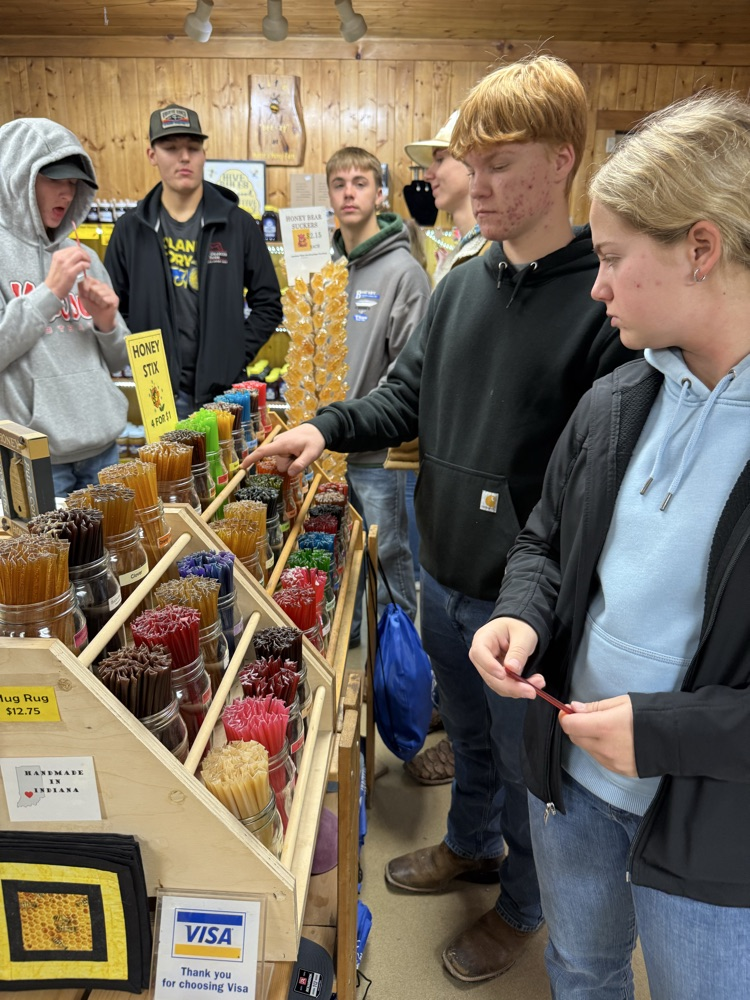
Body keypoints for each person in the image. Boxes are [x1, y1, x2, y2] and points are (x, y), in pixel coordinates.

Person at [243, 54, 637, 983]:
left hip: (527, 608)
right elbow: (403, 396)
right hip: (448, 574)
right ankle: (470, 847)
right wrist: (323, 428)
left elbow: (597, 488)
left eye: (501, 162)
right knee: (463, 744)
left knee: (526, 771)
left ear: (562, 161)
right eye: (471, 160)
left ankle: (527, 902)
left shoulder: (602, 305)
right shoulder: (461, 283)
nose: (472, 182)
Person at [469, 88, 750, 999]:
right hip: (576, 786)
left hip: (718, 825)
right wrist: (518, 615)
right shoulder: (616, 401)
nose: (595, 286)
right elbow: (545, 543)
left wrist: (665, 731)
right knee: (582, 968)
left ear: (700, 250)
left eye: (615, 259)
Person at [398, 109, 492, 787]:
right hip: (444, 493)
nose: (430, 172)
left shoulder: (488, 255)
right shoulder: (456, 249)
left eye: (442, 157)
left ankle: (468, 750)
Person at [105, 103, 282, 418]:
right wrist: (146, 355)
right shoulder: (130, 229)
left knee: (228, 468)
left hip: (225, 391)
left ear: (203, 154)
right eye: (171, 148)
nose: (183, 157)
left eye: (192, 148)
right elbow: (116, 308)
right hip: (158, 392)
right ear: (152, 155)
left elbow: (268, 303)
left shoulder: (238, 224)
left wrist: (234, 352)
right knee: (168, 470)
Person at [326, 147, 431, 644]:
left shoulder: (403, 272)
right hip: (325, 453)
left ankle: (396, 681)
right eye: (340, 182)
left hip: (377, 457)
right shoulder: (327, 270)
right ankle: (349, 666)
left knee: (389, 570)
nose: (349, 191)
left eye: (360, 182)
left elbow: (411, 371)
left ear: (380, 193)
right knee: (340, 565)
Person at [0, 118, 129, 497]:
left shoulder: (82, 254)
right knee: (51, 558)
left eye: (73, 183)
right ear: (17, 176)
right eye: (54, 180)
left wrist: (107, 323)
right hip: (34, 458)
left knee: (112, 552)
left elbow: (120, 356)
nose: (67, 194)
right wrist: (48, 293)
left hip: (103, 449)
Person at [405, 109, 488, 285]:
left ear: (472, 162)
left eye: (440, 159)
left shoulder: (493, 253)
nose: (428, 174)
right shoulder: (462, 253)